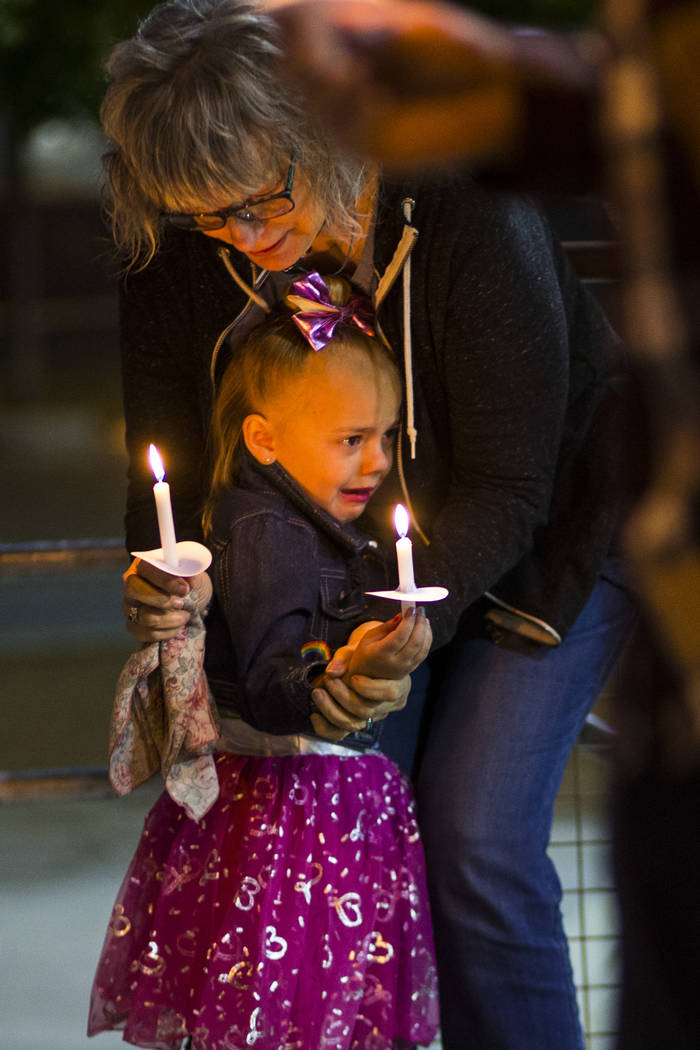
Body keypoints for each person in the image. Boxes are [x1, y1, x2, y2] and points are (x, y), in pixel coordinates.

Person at [103, 1, 637, 1046]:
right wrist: (164, 589)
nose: (246, 241)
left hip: (558, 532)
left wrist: (384, 634)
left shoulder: (463, 211)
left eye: (260, 201)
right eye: (207, 220)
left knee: (476, 837)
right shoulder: (184, 244)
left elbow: (509, 488)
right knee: (316, 827)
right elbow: (165, 485)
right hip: (357, 570)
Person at [88, 272, 440, 1050]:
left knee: (298, 1014)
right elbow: (276, 687)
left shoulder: (304, 523)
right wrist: (345, 679)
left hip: (307, 811)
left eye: (386, 435)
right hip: (299, 815)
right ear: (264, 439)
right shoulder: (273, 535)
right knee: (292, 1016)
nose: (378, 461)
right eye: (352, 439)